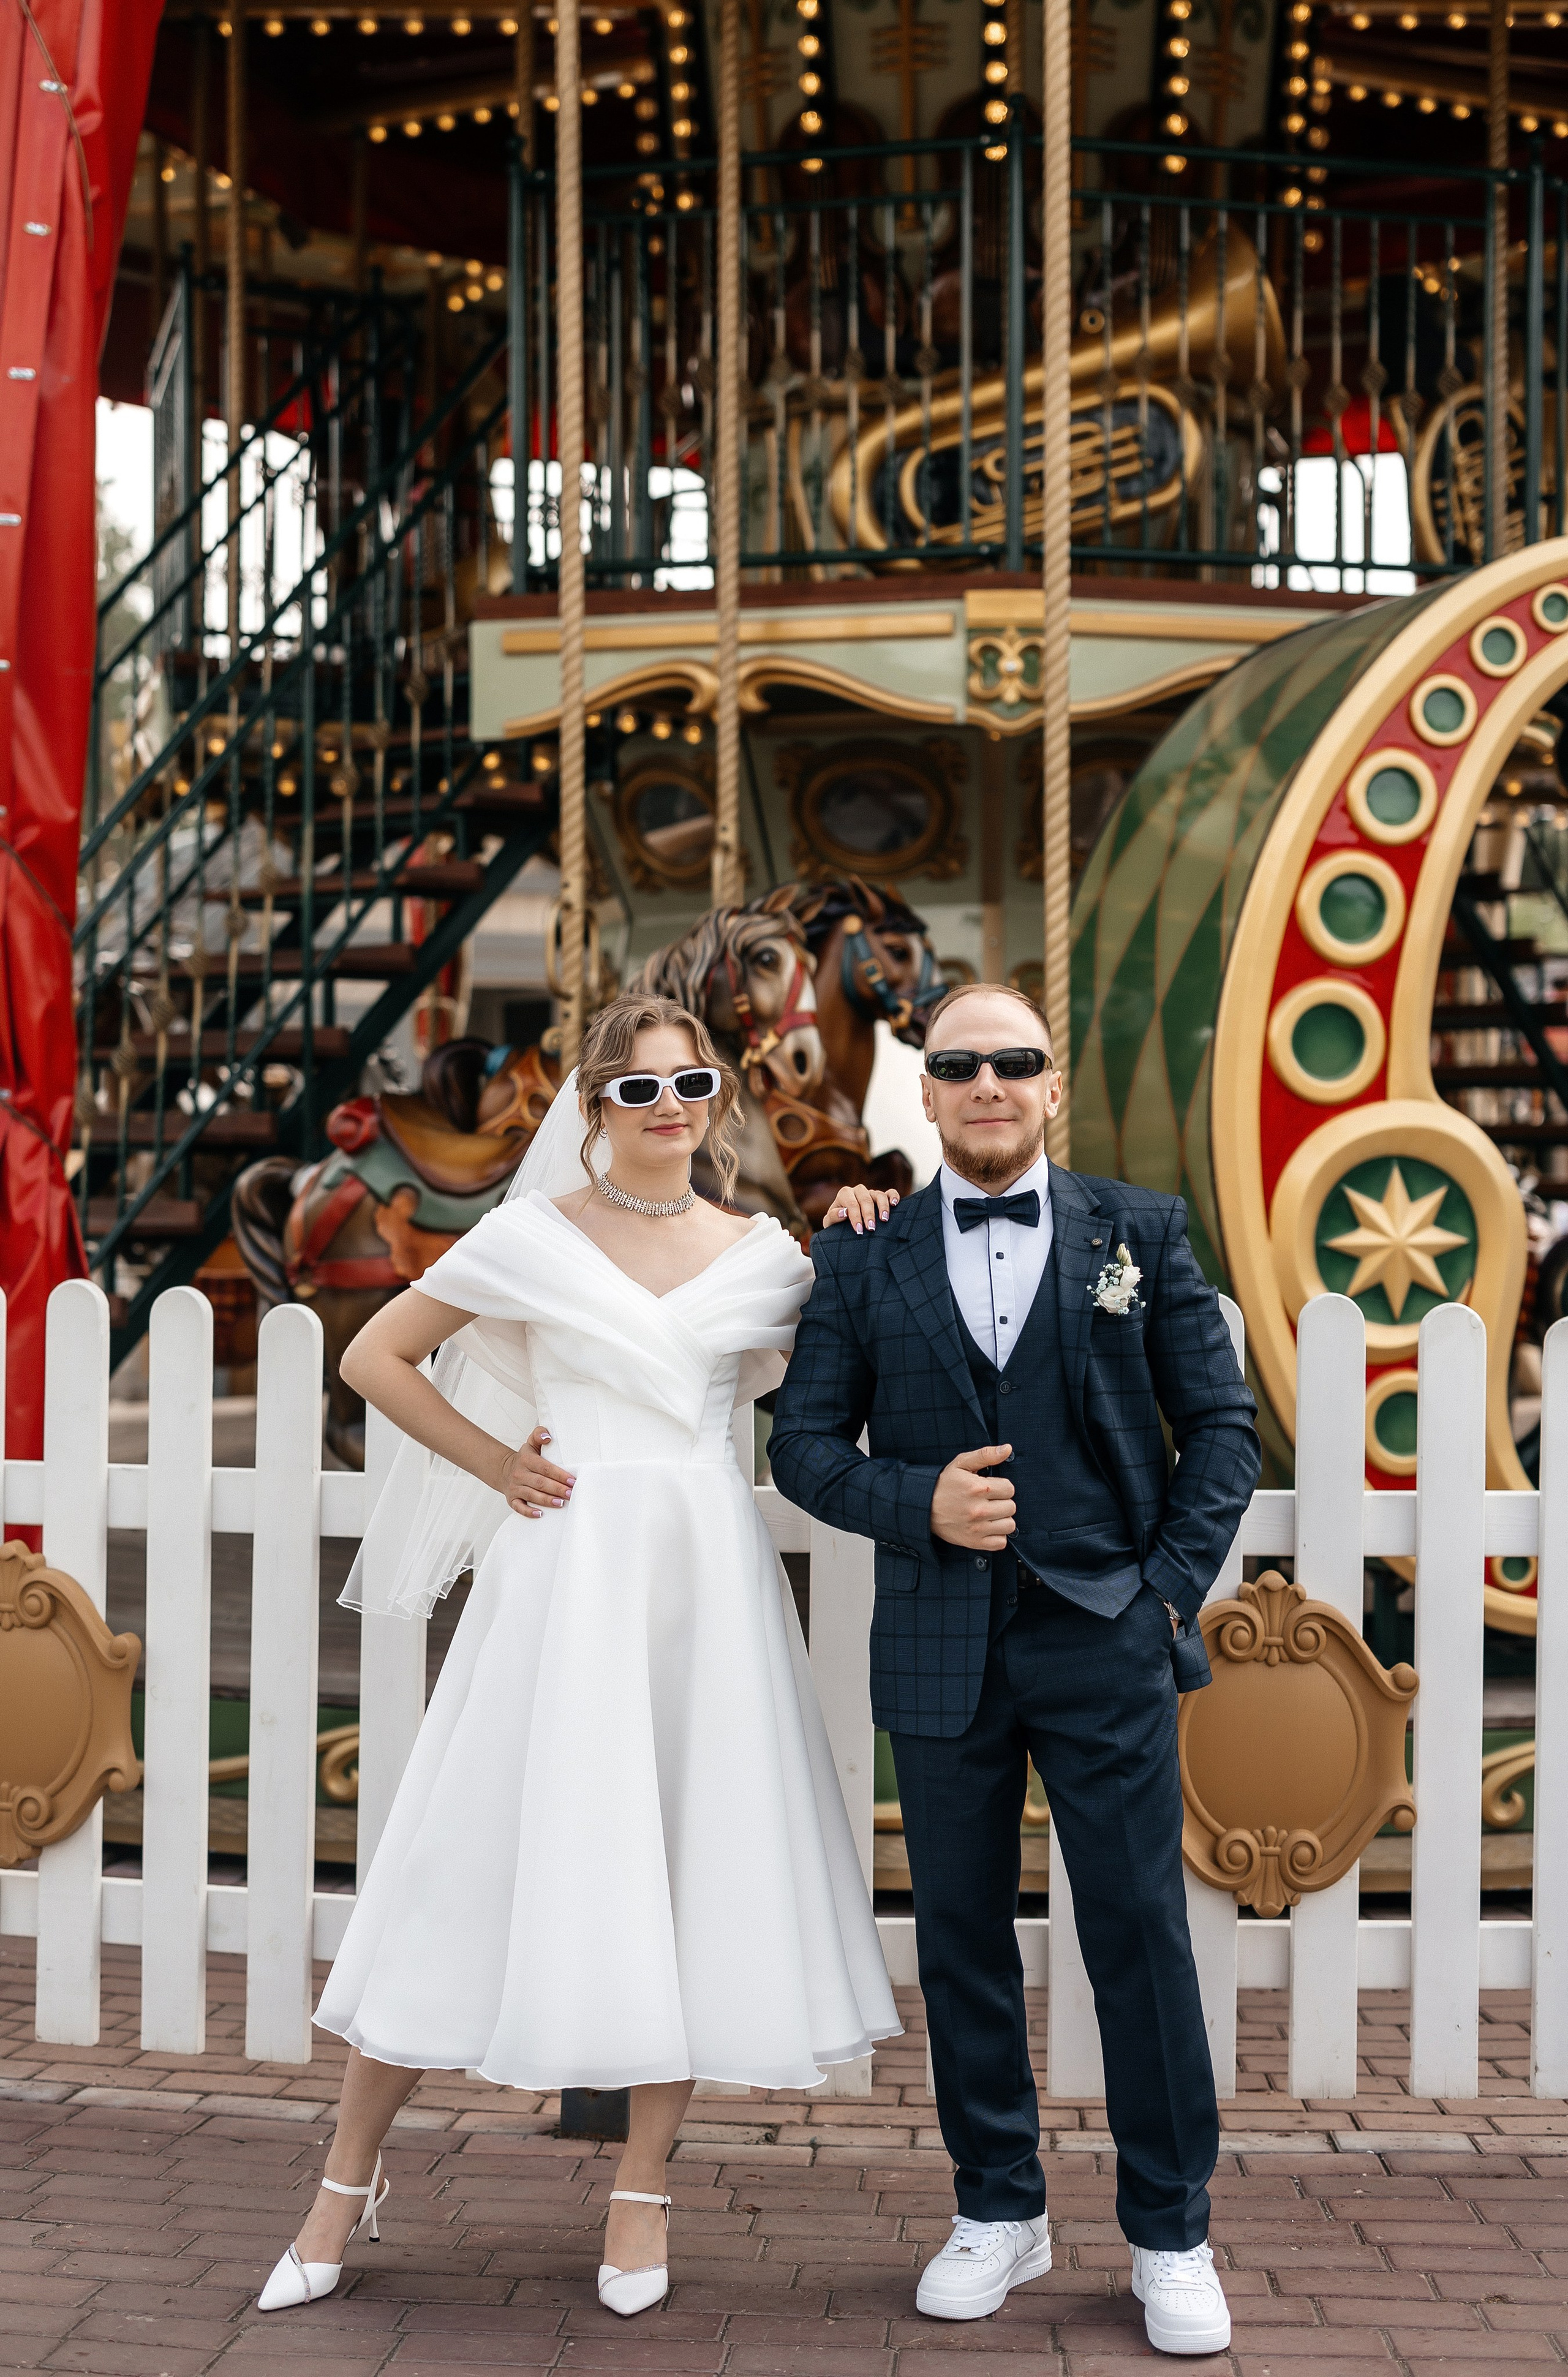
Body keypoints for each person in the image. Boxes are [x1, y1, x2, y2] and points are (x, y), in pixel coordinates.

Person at [257, 995, 900, 2321]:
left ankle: (641, 2190)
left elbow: (852, 1366)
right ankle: (340, 2183)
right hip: (565, 1579)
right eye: (639, 1088)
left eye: (690, 1084)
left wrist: (859, 1226)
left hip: (705, 1586)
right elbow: (377, 1355)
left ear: (718, 1099)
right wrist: (498, 1462)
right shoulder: (530, 1236)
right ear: (595, 1105)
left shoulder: (768, 1258)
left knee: (683, 1866)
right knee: (465, 1860)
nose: (668, 1108)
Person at [767, 981, 1260, 2356]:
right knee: (961, 1941)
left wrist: (1160, 1598)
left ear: (1050, 1087)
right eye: (958, 1063)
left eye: (1015, 1061)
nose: (987, 1082)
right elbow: (801, 1446)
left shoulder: (1140, 1232)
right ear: (924, 1093)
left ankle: (1170, 2230)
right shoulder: (863, 1254)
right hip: (940, 1645)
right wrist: (916, 1501)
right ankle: (997, 2206)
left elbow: (1222, 1428)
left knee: (1139, 1935)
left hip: (1105, 1634)